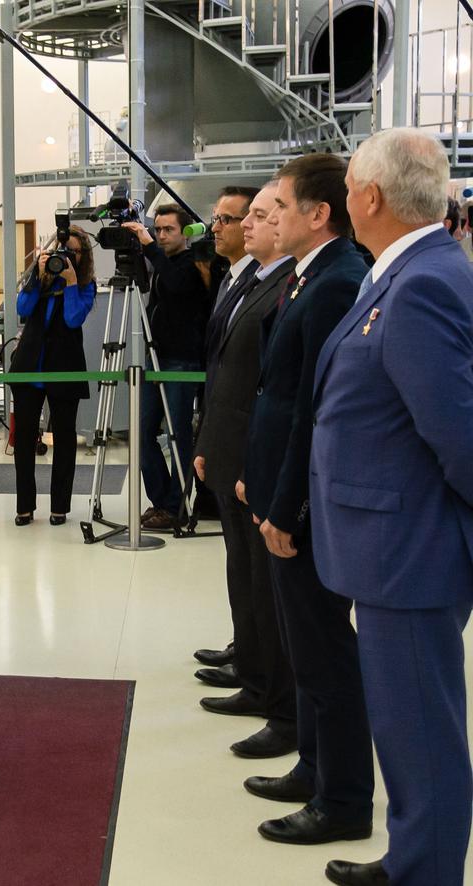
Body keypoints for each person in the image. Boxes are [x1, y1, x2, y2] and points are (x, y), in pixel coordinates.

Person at [314, 129, 473, 886]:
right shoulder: (406, 270)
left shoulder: (425, 281)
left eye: (347, 186)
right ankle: (414, 856)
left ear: (370, 197)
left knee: (421, 734)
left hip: (411, 550)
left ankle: (427, 872)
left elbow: (461, 436)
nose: (347, 198)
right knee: (405, 730)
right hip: (396, 545)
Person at [235, 153, 375, 849]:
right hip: (280, 489)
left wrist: (284, 506)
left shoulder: (336, 283)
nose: (272, 218)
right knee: (306, 647)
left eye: (281, 207)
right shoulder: (307, 278)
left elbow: (310, 411)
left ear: (319, 214)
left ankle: (344, 798)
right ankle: (315, 768)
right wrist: (257, 485)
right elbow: (275, 394)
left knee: (325, 656)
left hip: (307, 505)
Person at [192, 184, 298, 760]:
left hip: (254, 453)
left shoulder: (288, 284)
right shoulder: (249, 281)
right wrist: (208, 439)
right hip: (230, 445)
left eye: (258, 215)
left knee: (263, 577)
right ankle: (250, 662)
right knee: (243, 568)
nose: (246, 225)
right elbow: (222, 372)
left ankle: (265, 684)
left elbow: (271, 387)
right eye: (244, 216)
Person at [123, 205, 212, 530]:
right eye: (157, 229)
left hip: (181, 360)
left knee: (178, 434)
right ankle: (161, 500)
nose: (160, 235)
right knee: (142, 431)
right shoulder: (163, 264)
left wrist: (147, 246)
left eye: (167, 230)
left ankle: (176, 504)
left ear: (184, 233)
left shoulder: (191, 265)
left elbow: (175, 286)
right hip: (155, 359)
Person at [8, 226, 97, 526]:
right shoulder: (41, 280)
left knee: (65, 438)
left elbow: (73, 318)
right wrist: (37, 273)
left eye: (73, 252)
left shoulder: (86, 284)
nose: (67, 257)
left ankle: (60, 506)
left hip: (65, 367)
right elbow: (22, 307)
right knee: (23, 439)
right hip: (29, 367)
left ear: (83, 256)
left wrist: (70, 282)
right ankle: (24, 506)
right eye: (62, 252)